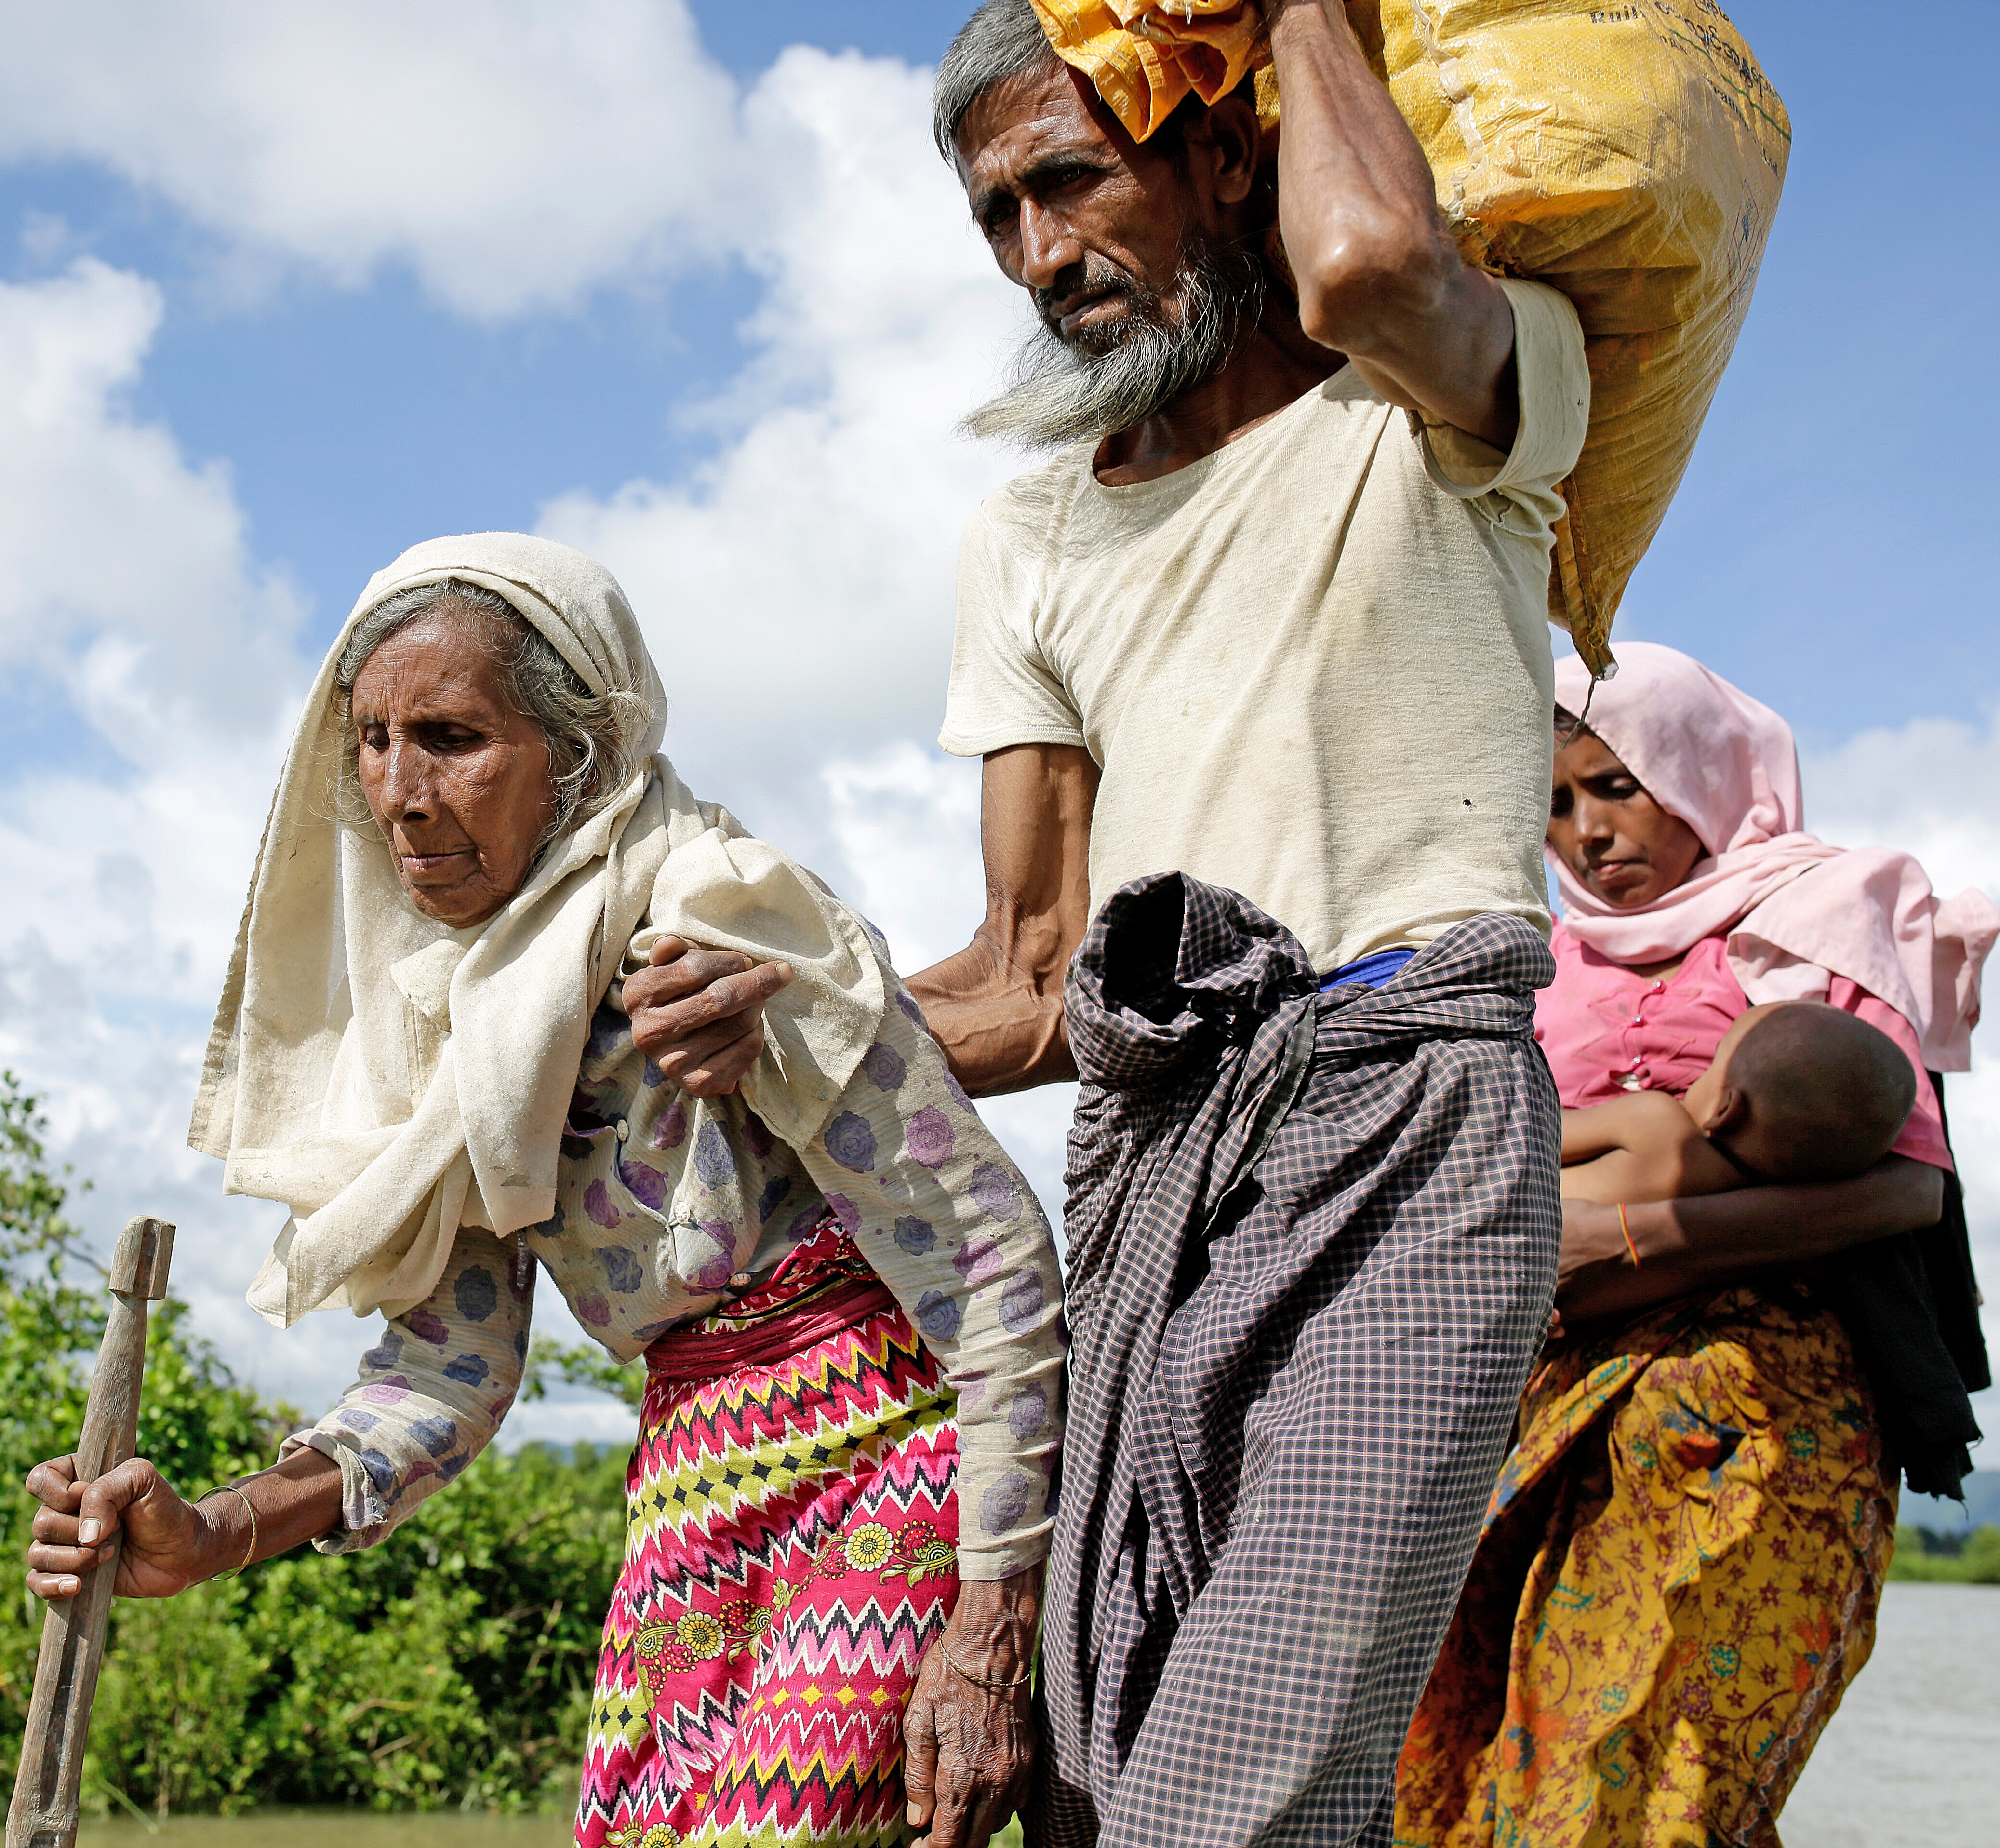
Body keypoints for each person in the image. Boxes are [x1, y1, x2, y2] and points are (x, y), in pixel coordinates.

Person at [626, 3, 1592, 1840]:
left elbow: (1375, 255)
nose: (1034, 255)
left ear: (1222, 155)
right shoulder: (1034, 536)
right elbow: (1030, 973)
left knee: (1228, 1786)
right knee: (1098, 1782)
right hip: (1144, 1161)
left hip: (1403, 1130)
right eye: (993, 215)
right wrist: (776, 1023)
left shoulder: (1440, 396)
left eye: (1069, 179)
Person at [23, 534, 1067, 1848]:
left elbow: (987, 1260)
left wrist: (989, 1615)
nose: (399, 792)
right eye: (372, 740)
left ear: (576, 753)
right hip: (694, 1480)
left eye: (451, 737)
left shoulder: (723, 921)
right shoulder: (447, 1020)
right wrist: (213, 1530)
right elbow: (444, 1374)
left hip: (895, 1448)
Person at [1394, 640, 1995, 1848]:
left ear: (1699, 765)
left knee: (1643, 1785)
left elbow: (1900, 1196)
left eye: (1613, 784)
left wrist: (1613, 1235)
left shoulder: (1819, 917)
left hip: (1750, 1409)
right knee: (1460, 1787)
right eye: (1552, 801)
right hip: (1539, 1412)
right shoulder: (1534, 965)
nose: (1582, 833)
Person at [1561, 998, 1917, 1203]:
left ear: (1725, 1111)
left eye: (1714, 1061)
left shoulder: (1654, 1124)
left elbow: (1526, 1134)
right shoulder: (1750, 1211)